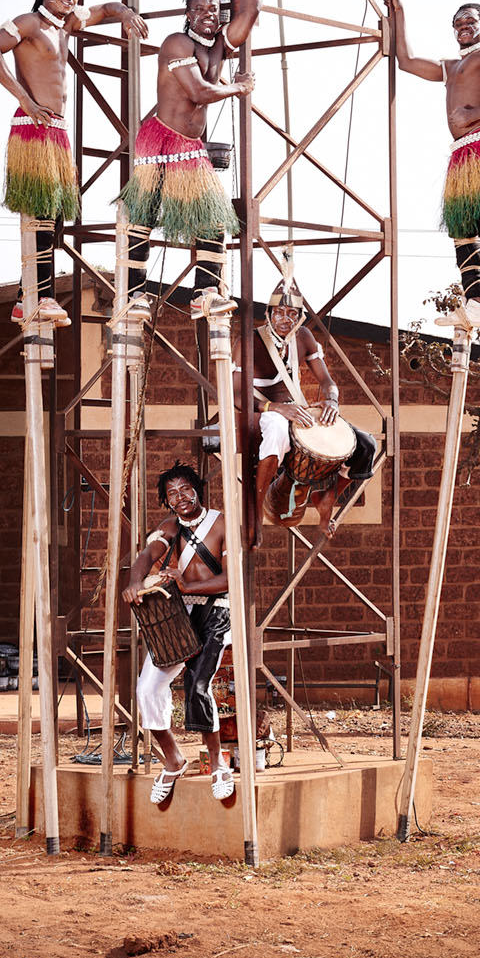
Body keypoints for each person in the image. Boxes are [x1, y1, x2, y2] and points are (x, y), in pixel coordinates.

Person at [0, 0, 147, 325]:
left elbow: (106, 8)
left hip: (56, 129)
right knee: (40, 210)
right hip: (33, 127)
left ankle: (27, 296)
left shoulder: (65, 25)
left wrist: (126, 13)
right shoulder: (28, 22)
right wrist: (23, 98)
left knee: (55, 212)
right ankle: (41, 295)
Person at [119, 0, 262, 296]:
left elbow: (251, 14)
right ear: (188, 15)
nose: (207, 16)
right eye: (199, 10)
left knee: (214, 215)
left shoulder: (217, 47)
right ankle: (135, 290)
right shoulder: (175, 44)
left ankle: (206, 293)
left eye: (213, 10)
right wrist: (239, 88)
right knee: (144, 213)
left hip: (191, 147)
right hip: (160, 139)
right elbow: (198, 92)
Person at [386, 0, 480, 322]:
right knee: (462, 223)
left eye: (470, 22)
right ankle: (475, 300)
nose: (463, 27)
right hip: (462, 154)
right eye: (457, 24)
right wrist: (400, 14)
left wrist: (477, 112)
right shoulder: (452, 66)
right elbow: (406, 61)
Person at [122, 463, 235, 802]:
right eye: (172, 493)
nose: (180, 497)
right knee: (147, 687)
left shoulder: (223, 522)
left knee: (197, 685)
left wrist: (186, 586)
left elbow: (230, 579)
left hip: (215, 613)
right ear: (166, 501)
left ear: (197, 489)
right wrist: (135, 583)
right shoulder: (169, 527)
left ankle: (218, 764)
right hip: (178, 616)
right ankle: (173, 759)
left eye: (185, 489)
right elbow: (146, 554)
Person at [245, 279, 377, 544]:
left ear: (299, 316)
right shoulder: (251, 342)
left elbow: (327, 381)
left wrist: (331, 400)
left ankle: (327, 496)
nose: (285, 319)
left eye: (292, 313)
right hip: (265, 412)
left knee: (365, 445)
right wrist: (277, 408)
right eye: (279, 313)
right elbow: (237, 395)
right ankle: (255, 515)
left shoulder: (303, 337)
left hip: (299, 410)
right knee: (277, 433)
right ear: (269, 314)